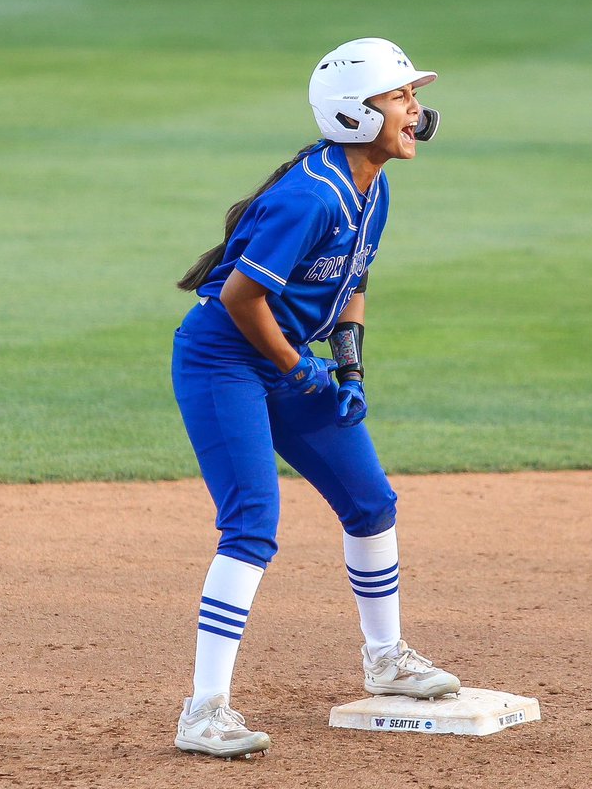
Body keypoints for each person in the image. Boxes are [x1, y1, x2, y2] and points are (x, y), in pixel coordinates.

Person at [169, 38, 459, 758]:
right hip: (225, 358)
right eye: (400, 97)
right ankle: (204, 711)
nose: (415, 110)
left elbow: (353, 281)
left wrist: (349, 368)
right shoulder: (310, 193)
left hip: (285, 355)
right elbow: (240, 297)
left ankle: (385, 658)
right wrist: (302, 372)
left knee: (371, 501)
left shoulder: (372, 187)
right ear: (356, 115)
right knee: (252, 525)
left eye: (412, 96)